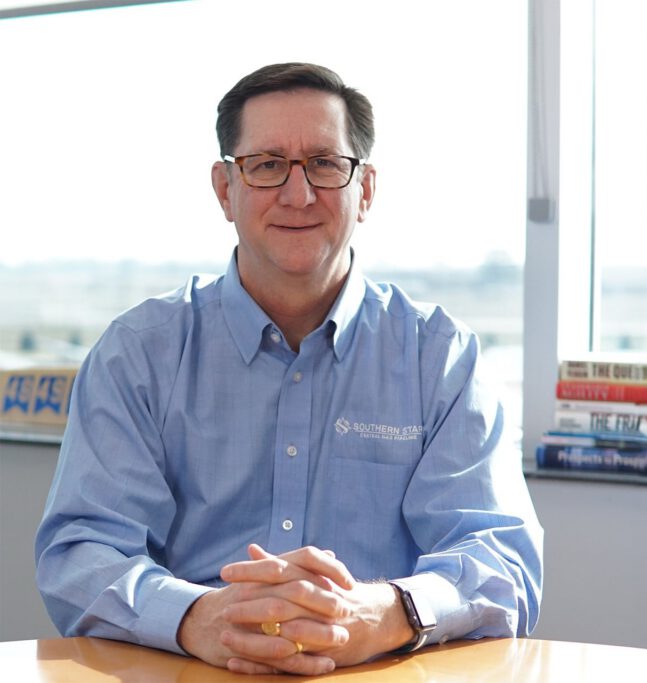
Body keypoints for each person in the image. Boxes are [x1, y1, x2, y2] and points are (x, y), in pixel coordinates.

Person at [34, 62, 543, 676]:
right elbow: (79, 552)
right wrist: (197, 617)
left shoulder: (440, 358)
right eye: (267, 164)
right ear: (226, 189)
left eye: (326, 164)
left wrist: (380, 612)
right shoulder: (138, 354)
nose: (298, 194)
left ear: (367, 190)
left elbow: (501, 557)